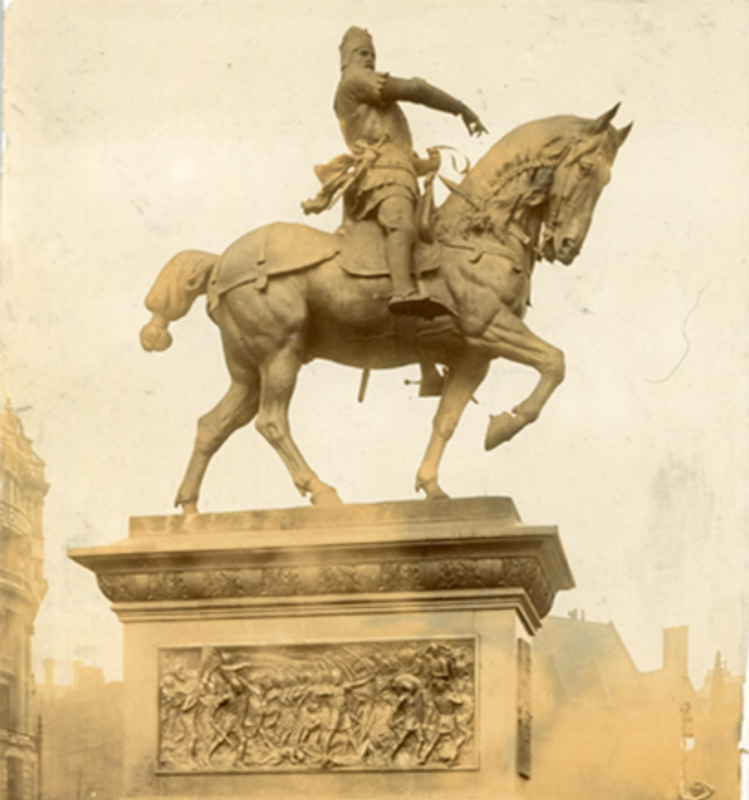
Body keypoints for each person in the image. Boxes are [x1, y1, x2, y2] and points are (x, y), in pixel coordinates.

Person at [305, 26, 487, 318]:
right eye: (362, 53)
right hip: (382, 176)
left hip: (396, 171)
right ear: (347, 59)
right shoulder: (354, 81)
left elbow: (397, 152)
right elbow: (415, 90)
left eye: (372, 55)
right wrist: (460, 109)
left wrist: (426, 165)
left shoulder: (368, 95)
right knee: (401, 223)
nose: (369, 60)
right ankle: (402, 291)